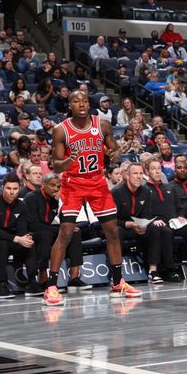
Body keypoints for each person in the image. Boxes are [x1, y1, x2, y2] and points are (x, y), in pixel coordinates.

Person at [42, 90, 142, 307]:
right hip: (73, 184)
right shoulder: (61, 130)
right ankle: (51, 286)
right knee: (66, 232)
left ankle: (117, 282)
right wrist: (69, 160)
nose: (82, 104)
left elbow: (114, 149)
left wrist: (113, 153)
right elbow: (56, 164)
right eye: (77, 101)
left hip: (97, 182)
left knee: (113, 231)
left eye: (85, 101)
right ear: (70, 105)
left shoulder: (103, 124)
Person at [23, 173, 89, 293]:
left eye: (58, 187)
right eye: (52, 185)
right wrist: (61, 229)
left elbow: (63, 220)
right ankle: (42, 279)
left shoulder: (55, 200)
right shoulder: (31, 197)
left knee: (73, 233)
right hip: (32, 233)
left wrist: (62, 203)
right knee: (46, 234)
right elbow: (33, 225)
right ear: (43, 185)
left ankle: (74, 278)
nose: (55, 189)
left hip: (47, 229)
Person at [0, 174, 38, 299]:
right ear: (3, 187)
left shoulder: (22, 205)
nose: (11, 192)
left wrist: (25, 238)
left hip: (11, 239)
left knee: (30, 244)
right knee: (1, 245)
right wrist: (18, 239)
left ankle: (32, 282)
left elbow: (22, 229)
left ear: (19, 189)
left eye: (15, 189)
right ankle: (1, 284)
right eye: (8, 188)